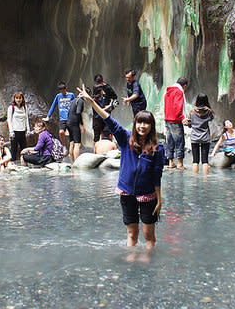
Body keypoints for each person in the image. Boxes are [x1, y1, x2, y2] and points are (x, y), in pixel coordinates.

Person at [78, 85, 165, 251]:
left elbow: (157, 174)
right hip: (126, 193)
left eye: (146, 123)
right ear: (135, 124)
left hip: (147, 195)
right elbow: (110, 121)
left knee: (149, 235)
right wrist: (91, 102)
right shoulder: (126, 139)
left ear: (151, 126)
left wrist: (159, 200)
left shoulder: (157, 147)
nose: (142, 126)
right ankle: (132, 258)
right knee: (132, 233)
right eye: (139, 122)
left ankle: (148, 260)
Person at [164, 77, 188, 169]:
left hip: (167, 119)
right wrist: (182, 118)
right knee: (180, 142)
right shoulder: (179, 92)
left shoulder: (168, 92)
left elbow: (166, 106)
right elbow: (177, 107)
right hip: (175, 120)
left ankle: (171, 162)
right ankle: (180, 164)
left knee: (170, 141)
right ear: (184, 85)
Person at [44, 82, 75, 153]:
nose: (62, 92)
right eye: (61, 91)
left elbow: (75, 104)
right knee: (61, 132)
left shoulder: (71, 95)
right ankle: (64, 146)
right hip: (62, 119)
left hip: (70, 118)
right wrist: (48, 116)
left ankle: (71, 151)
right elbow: (53, 106)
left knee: (71, 135)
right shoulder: (58, 96)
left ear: (66, 88)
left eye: (63, 90)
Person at [188, 93, 214, 173]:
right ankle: (205, 180)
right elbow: (211, 119)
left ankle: (195, 179)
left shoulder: (192, 112)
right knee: (205, 161)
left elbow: (190, 125)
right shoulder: (209, 112)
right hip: (205, 137)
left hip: (195, 137)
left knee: (195, 160)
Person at [93, 74, 118, 141]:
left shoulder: (107, 88)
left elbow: (115, 97)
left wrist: (111, 106)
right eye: (97, 83)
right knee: (99, 131)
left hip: (106, 111)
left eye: (99, 83)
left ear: (102, 81)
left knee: (107, 130)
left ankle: (108, 145)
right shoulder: (96, 88)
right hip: (98, 113)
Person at [7, 92, 29, 161]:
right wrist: (11, 131)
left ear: (22, 99)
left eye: (20, 98)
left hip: (22, 131)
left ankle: (25, 162)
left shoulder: (24, 107)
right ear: (14, 99)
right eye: (17, 98)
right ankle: (12, 163)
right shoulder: (11, 108)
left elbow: (26, 119)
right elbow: (9, 120)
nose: (18, 100)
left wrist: (28, 129)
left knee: (24, 149)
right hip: (14, 131)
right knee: (13, 149)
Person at [66, 90, 86, 162]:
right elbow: (78, 112)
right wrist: (82, 125)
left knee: (72, 143)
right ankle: (76, 163)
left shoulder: (73, 100)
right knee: (77, 144)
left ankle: (72, 161)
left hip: (69, 122)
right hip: (74, 123)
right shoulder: (80, 101)